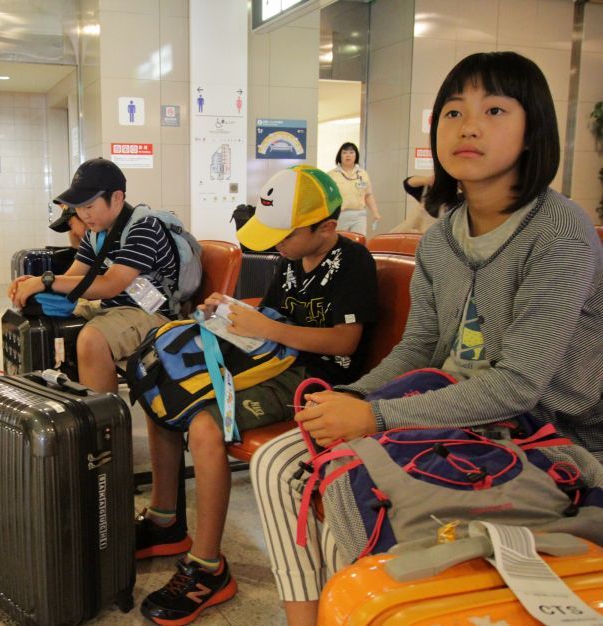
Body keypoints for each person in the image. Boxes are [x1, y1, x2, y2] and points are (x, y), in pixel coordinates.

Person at [251, 51, 603, 626]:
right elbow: (419, 348)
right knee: (279, 461)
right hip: (454, 411)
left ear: (533, 128)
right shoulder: (442, 239)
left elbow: (518, 385)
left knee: (351, 486)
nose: (468, 126)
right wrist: (355, 398)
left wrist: (376, 420)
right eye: (452, 112)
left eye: (494, 109)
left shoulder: (560, 231)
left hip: (546, 433)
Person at [137, 165, 378, 625]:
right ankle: (165, 519)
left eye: (284, 234)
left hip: (315, 379)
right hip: (274, 360)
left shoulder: (352, 262)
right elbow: (271, 313)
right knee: (165, 390)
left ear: (326, 227)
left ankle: (208, 569)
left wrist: (264, 326)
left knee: (204, 422)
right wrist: (230, 309)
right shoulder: (292, 259)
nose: (277, 244)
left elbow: (345, 343)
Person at [8, 157, 177, 394]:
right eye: (79, 207)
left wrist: (47, 280)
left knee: (92, 338)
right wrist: (36, 286)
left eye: (89, 206)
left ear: (117, 198)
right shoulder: (95, 233)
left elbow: (110, 285)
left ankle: (103, 422)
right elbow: (74, 277)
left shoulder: (144, 227)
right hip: (112, 309)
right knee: (38, 317)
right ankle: (57, 404)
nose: (83, 214)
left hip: (153, 314)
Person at [328, 142, 382, 236]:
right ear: (339, 156)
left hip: (359, 215)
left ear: (356, 156)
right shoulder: (331, 175)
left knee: (358, 243)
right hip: (340, 215)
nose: (348, 155)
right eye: (344, 153)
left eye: (351, 152)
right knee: (340, 244)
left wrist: (375, 212)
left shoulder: (363, 174)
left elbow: (368, 195)